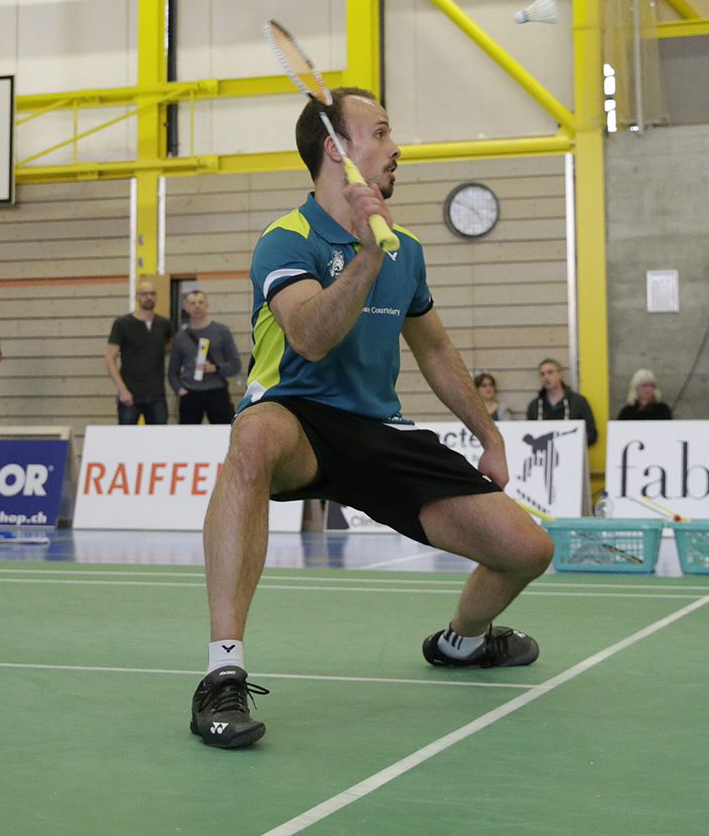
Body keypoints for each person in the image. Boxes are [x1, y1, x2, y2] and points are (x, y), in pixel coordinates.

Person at [192, 85, 553, 750]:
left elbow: (436, 350)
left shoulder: (406, 249)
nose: (396, 147)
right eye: (381, 133)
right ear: (337, 150)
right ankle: (222, 672)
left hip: (378, 430)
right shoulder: (285, 238)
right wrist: (365, 255)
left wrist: (490, 434)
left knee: (529, 548)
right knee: (251, 436)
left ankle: (462, 642)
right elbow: (308, 336)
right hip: (298, 418)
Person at [106, 277, 171, 424]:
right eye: (144, 293)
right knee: (127, 442)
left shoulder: (164, 324)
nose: (149, 297)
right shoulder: (122, 323)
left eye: (152, 293)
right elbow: (110, 358)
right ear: (137, 297)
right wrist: (122, 390)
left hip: (157, 396)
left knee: (158, 441)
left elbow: (168, 347)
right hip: (130, 396)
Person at [171, 289, 242, 425]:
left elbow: (235, 365)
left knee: (224, 434)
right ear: (186, 308)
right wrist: (180, 390)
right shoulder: (180, 337)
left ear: (207, 305)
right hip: (189, 393)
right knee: (187, 437)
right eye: (192, 303)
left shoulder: (222, 331)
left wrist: (215, 368)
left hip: (217, 392)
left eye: (200, 302)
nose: (197, 306)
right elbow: (172, 371)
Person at [526, 358, 597, 448]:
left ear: (560, 375)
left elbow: (592, 434)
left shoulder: (578, 402)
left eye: (550, 372)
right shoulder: (534, 406)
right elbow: (529, 431)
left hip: (571, 454)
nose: (546, 377)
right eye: (542, 374)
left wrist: (570, 443)